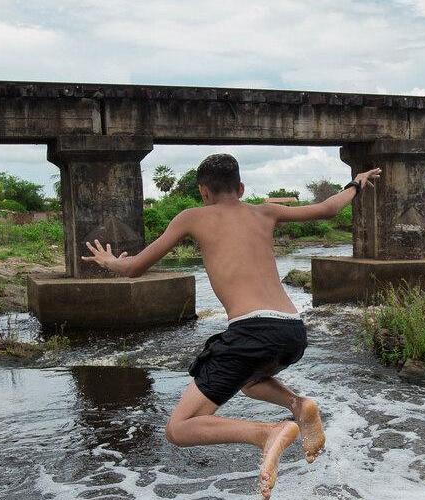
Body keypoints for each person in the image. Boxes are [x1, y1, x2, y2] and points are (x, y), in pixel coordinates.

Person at [81, 153, 381, 498]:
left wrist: (109, 262)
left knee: (179, 428)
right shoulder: (265, 211)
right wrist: (356, 182)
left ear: (203, 192)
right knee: (249, 382)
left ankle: (266, 433)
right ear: (240, 187)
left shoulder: (192, 217)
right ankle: (298, 405)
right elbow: (329, 208)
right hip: (292, 331)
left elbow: (135, 268)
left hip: (251, 330)